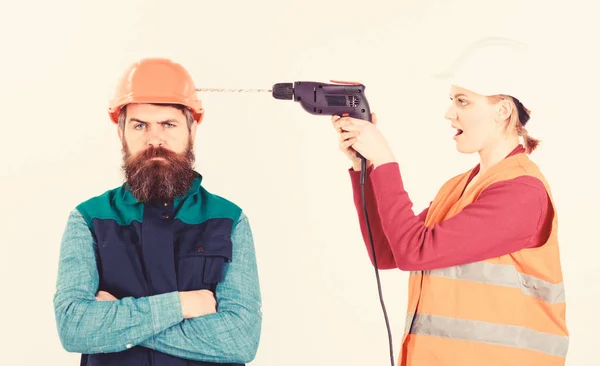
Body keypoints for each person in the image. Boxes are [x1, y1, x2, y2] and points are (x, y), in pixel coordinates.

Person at [332, 38, 569, 365]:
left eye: (463, 101)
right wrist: (367, 167)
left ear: (502, 110)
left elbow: (414, 251)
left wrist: (386, 159)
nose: (449, 113)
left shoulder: (521, 194)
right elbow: (388, 252)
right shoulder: (460, 187)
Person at [53, 57, 262, 366]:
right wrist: (184, 304)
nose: (154, 139)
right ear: (121, 133)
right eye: (140, 125)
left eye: (168, 124)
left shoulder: (229, 220)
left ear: (192, 130)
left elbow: (240, 340)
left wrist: (116, 320)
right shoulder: (88, 219)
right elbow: (75, 328)